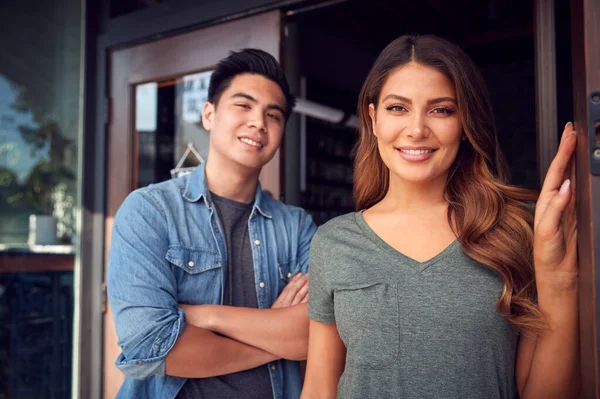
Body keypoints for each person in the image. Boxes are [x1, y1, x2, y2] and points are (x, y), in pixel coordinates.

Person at [301, 34, 579, 399]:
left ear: (464, 124)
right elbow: (320, 388)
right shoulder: (334, 242)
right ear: (373, 118)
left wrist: (560, 283)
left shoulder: (512, 232)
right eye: (397, 108)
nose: (416, 129)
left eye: (441, 109)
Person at [107, 48, 316, 399]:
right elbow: (153, 346)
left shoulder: (296, 228)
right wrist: (276, 342)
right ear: (209, 114)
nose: (258, 122)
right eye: (243, 105)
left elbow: (315, 334)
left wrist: (205, 316)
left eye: (273, 115)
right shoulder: (150, 211)